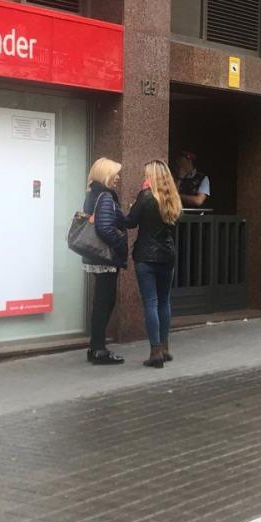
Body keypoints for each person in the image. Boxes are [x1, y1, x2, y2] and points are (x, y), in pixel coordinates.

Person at [127, 159, 182, 367]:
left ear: (151, 176)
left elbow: (130, 222)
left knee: (150, 302)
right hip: (167, 257)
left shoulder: (146, 196)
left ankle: (155, 351)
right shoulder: (172, 198)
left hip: (146, 257)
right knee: (164, 301)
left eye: (146, 174)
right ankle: (165, 347)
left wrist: (132, 207)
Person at [81, 157, 129, 365]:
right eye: (115, 173)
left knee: (101, 300)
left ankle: (95, 347)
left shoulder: (92, 194)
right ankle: (99, 349)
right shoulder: (106, 196)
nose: (118, 178)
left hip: (94, 255)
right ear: (106, 174)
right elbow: (104, 228)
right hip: (106, 256)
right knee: (105, 301)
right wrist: (120, 244)